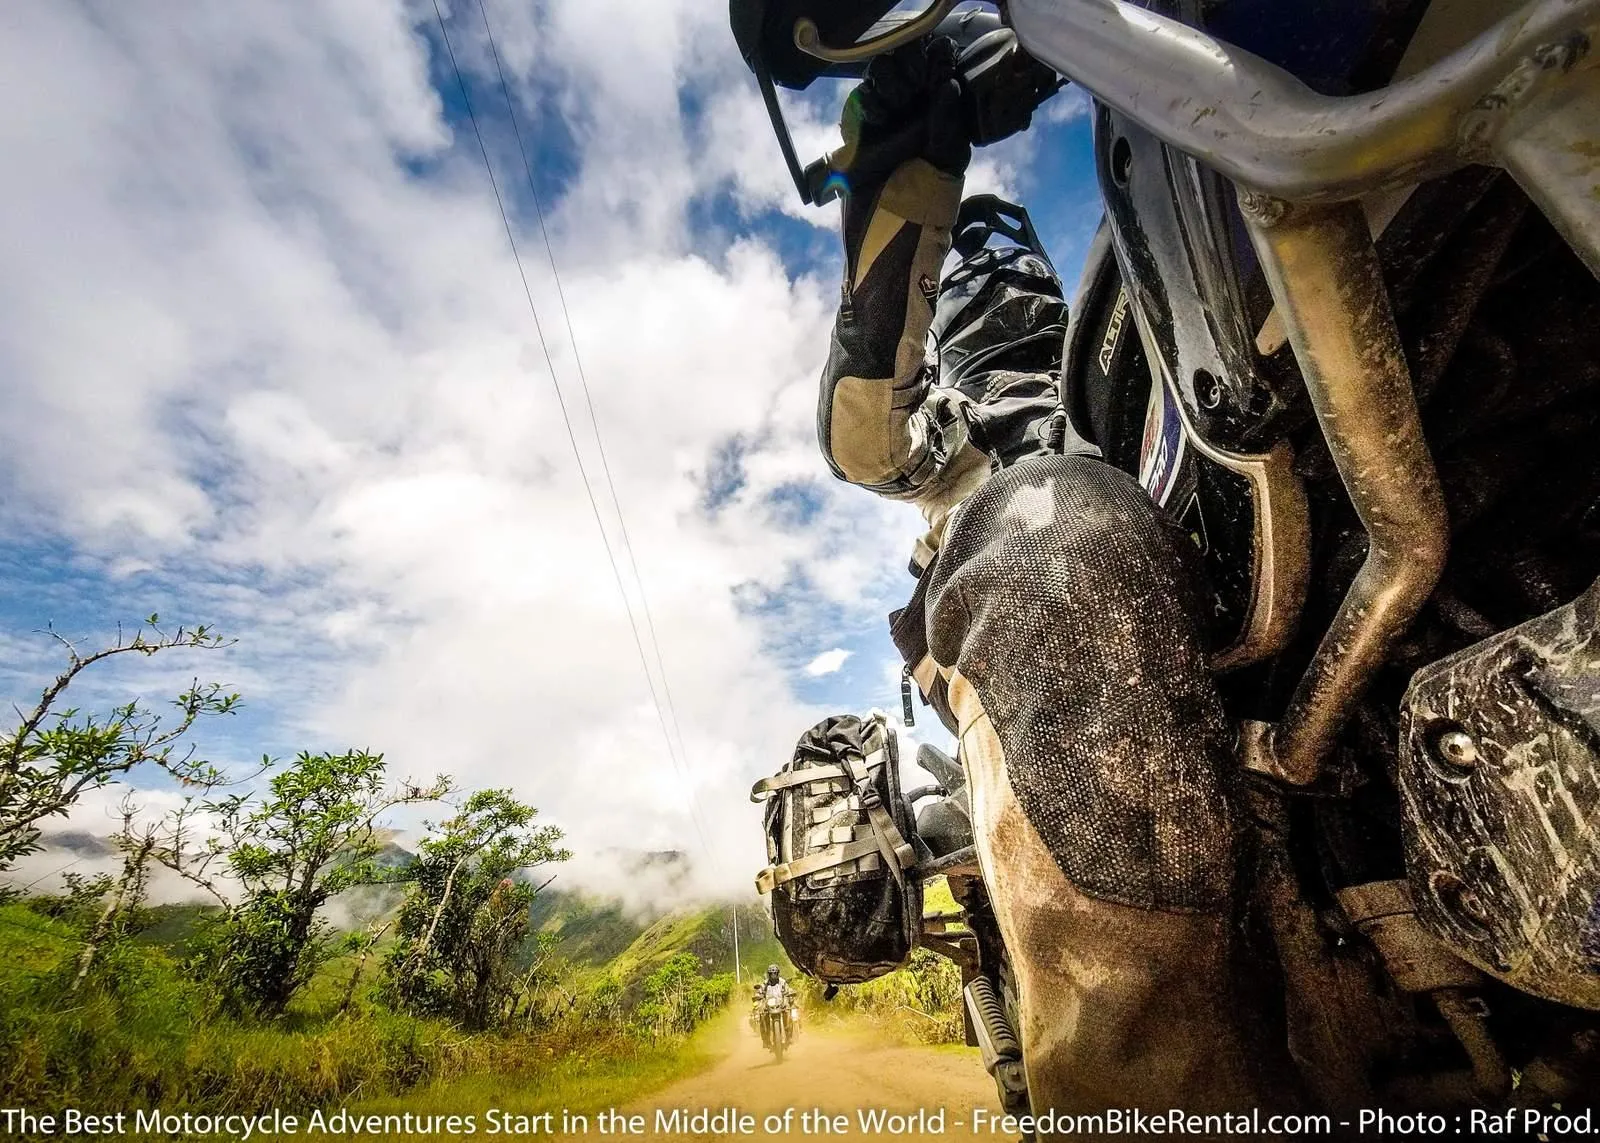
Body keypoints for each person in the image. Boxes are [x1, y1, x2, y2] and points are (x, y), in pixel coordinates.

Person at [804, 39, 1299, 1120]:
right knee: (1057, 531)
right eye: (975, 269)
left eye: (1013, 252)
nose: (1005, 278)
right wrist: (912, 157)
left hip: (1232, 583)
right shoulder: (942, 439)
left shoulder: (1148, 351)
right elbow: (857, 433)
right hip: (1036, 643)